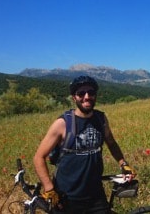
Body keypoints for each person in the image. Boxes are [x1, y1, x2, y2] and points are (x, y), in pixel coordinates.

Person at [33, 75, 135, 213]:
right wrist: (49, 188)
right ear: (74, 97)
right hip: (67, 197)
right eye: (81, 93)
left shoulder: (101, 119)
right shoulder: (62, 124)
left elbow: (111, 143)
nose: (87, 97)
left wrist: (124, 164)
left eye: (91, 92)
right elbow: (39, 157)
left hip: (95, 195)